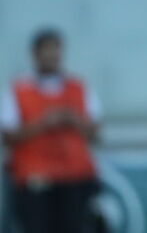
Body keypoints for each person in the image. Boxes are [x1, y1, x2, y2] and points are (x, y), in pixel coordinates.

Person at [1, 29, 101, 233]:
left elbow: (95, 134)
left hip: (76, 177)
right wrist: (43, 123)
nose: (51, 56)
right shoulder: (19, 90)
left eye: (55, 50)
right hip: (35, 178)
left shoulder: (78, 87)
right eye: (46, 50)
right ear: (35, 54)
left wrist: (73, 120)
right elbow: (8, 137)